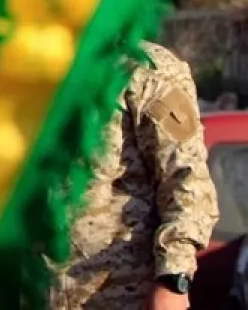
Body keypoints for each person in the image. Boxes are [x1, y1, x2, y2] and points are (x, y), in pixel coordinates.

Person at [50, 42, 218, 309]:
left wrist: (174, 281)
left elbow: (188, 181)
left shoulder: (145, 69)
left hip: (120, 295)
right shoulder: (31, 64)